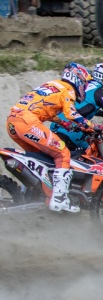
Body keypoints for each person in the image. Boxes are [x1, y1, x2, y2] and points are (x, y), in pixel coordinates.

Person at [7, 63, 97, 212]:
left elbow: (43, 108)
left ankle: (30, 195)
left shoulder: (53, 85)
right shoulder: (68, 90)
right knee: (63, 153)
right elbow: (71, 114)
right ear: (77, 79)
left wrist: (63, 123)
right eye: (85, 84)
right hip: (27, 122)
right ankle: (59, 200)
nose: (85, 88)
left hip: (12, 122)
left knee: (39, 159)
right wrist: (91, 125)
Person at [53, 63, 103, 154]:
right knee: (99, 153)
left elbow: (84, 107)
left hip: (57, 124)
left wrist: (102, 114)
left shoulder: (85, 85)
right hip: (70, 130)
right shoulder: (101, 92)